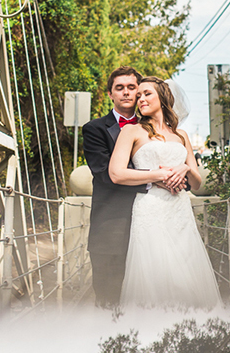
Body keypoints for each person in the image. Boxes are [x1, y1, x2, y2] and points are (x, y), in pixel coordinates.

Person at [108, 76, 220, 307]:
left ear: (164, 96)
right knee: (153, 273)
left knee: (186, 275)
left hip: (180, 212)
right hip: (150, 209)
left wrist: (185, 167)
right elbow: (116, 173)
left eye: (146, 93)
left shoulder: (182, 136)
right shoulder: (132, 131)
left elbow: (197, 184)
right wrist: (158, 175)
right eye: (138, 96)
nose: (140, 99)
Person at [82, 67, 185, 307]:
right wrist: (154, 177)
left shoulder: (157, 131)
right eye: (120, 88)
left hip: (156, 229)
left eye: (132, 88)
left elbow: (174, 165)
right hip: (112, 229)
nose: (127, 93)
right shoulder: (94, 129)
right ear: (110, 94)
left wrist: (183, 171)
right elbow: (105, 174)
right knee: (109, 303)